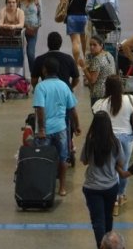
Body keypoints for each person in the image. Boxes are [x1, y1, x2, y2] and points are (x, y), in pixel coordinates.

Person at [92, 75, 133, 213]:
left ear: (106, 87)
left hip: (108, 138)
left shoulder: (100, 103)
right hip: (126, 138)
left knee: (111, 168)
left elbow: (97, 120)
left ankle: (113, 200)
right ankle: (121, 195)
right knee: (123, 167)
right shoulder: (130, 100)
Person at [34, 57, 80, 198]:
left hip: (45, 130)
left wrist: (41, 129)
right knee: (63, 158)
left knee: (43, 158)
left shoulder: (40, 87)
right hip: (61, 128)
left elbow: (40, 109)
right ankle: (62, 188)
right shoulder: (64, 86)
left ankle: (44, 186)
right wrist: (77, 126)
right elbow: (72, 109)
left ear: (44, 70)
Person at [81, 110, 125, 249]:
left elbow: (84, 161)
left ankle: (102, 246)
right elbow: (121, 162)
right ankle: (110, 245)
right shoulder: (114, 142)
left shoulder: (90, 142)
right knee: (108, 218)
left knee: (98, 221)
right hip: (111, 186)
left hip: (92, 187)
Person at [60, 0, 91, 66]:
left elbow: (61, 0)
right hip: (84, 18)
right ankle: (86, 61)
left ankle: (77, 63)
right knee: (85, 42)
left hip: (71, 18)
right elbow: (91, 2)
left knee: (75, 42)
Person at [16, 0, 42, 72]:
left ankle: (33, 74)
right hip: (21, 29)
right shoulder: (18, 0)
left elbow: (40, 15)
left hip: (33, 29)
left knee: (30, 53)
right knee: (19, 53)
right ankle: (19, 74)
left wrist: (37, 27)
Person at [84, 35, 117, 106]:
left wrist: (84, 68)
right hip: (110, 92)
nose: (91, 47)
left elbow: (92, 80)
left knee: (98, 116)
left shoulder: (97, 59)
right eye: (90, 45)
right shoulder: (109, 55)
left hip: (98, 94)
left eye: (94, 45)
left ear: (101, 45)